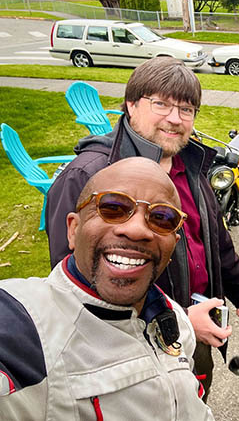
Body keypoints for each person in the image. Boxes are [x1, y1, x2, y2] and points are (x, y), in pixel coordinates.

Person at [45, 56, 239, 398]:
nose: (175, 119)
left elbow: (212, 236)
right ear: (131, 105)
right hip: (130, 353)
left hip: (194, 331)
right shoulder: (89, 175)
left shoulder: (190, 166)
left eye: (187, 109)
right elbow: (71, 286)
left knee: (190, 401)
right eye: (161, 104)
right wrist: (175, 321)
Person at [0, 158, 214, 420]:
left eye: (162, 218)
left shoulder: (175, 320)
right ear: (73, 229)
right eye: (112, 207)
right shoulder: (28, 328)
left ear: (172, 246)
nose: (136, 230)